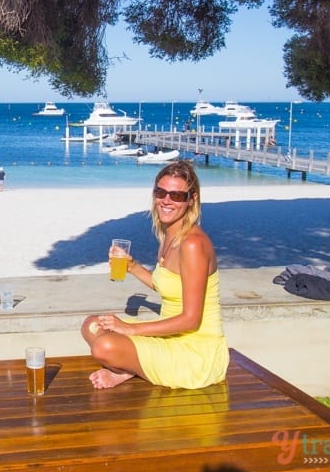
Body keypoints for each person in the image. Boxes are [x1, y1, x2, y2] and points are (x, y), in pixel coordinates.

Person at [81, 160, 228, 390]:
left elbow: (191, 319)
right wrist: (132, 266)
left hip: (195, 352)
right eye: (161, 192)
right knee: (91, 324)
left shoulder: (193, 244)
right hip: (168, 336)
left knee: (104, 347)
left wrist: (130, 329)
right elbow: (166, 287)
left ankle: (128, 370)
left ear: (192, 199)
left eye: (176, 195)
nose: (166, 200)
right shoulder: (169, 234)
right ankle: (132, 368)